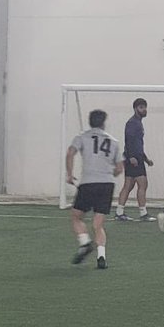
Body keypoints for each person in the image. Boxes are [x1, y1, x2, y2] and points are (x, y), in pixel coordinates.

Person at [67, 109, 124, 269]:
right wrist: (108, 172)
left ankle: (85, 243)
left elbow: (70, 153)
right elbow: (119, 168)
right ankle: (101, 257)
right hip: (106, 184)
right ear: (103, 123)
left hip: (88, 183)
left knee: (76, 217)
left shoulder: (82, 137)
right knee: (98, 224)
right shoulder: (113, 141)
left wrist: (70, 174)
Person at [116, 98, 155, 221]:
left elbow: (138, 144)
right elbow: (129, 140)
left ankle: (119, 212)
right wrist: (131, 156)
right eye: (141, 107)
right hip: (133, 158)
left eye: (145, 107)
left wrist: (146, 159)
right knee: (143, 184)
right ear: (135, 109)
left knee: (128, 185)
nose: (144, 110)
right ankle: (143, 213)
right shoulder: (133, 123)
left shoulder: (138, 123)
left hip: (136, 157)